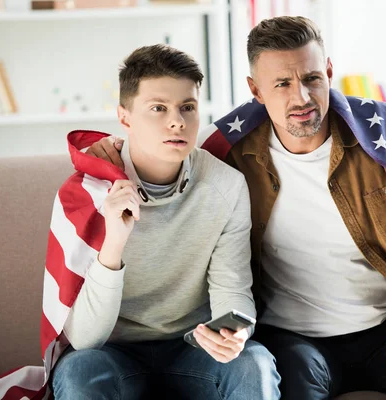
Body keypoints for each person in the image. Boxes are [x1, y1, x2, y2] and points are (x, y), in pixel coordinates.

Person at [87, 17, 386, 400]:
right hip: (294, 340)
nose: (301, 97)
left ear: (330, 72)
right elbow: (160, 148)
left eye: (311, 78)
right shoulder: (229, 150)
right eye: (281, 83)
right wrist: (110, 155)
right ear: (255, 90)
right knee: (277, 377)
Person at [48, 44, 280, 399]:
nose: (177, 121)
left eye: (188, 107)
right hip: (111, 353)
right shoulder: (87, 193)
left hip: (194, 346)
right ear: (124, 117)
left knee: (255, 363)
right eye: (158, 108)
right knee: (80, 372)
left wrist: (235, 332)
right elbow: (84, 339)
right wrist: (113, 243)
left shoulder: (226, 185)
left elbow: (231, 286)